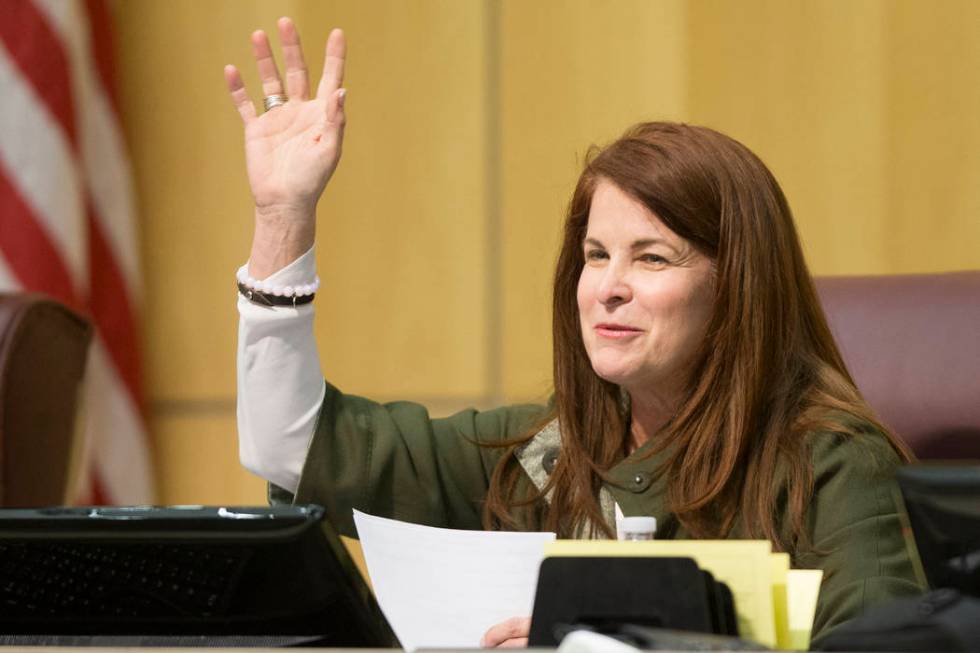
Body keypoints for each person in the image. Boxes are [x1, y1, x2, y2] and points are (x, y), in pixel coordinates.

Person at [226, 18, 922, 648]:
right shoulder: (549, 452)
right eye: (595, 255)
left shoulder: (831, 463)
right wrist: (284, 216)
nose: (608, 286)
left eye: (652, 257)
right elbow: (291, 446)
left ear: (736, 286)